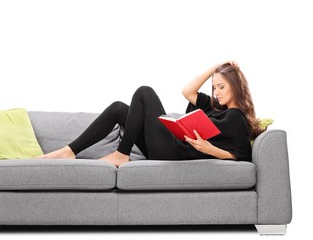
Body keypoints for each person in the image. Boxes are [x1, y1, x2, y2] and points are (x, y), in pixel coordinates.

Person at [37, 61, 263, 166]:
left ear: (236, 86)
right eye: (215, 87)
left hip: (175, 155)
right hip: (169, 147)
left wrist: (209, 148)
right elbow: (188, 91)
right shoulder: (215, 107)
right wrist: (215, 68)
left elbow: (241, 155)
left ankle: (121, 154)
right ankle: (69, 151)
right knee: (118, 109)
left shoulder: (236, 118)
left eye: (222, 87)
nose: (216, 92)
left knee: (145, 93)